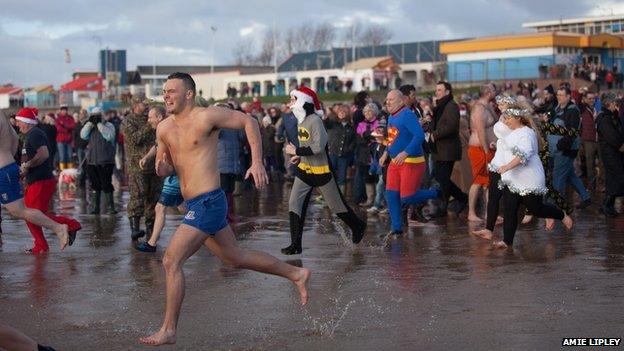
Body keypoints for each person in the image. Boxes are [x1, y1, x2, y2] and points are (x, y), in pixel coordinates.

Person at [139, 73, 310, 346]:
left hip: (209, 200)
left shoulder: (207, 116)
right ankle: (296, 274)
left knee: (171, 260)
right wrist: (162, 167)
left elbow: (248, 121)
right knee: (234, 257)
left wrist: (257, 162)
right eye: (164, 91)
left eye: (172, 91)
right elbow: (167, 164)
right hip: (192, 204)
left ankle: (169, 329)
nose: (166, 96)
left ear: (189, 94)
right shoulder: (164, 128)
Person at [282, 87, 367, 255]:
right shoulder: (302, 121)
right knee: (294, 203)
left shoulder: (315, 120)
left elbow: (318, 147)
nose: (290, 103)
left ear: (302, 101)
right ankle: (295, 244)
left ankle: (358, 226)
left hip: (321, 172)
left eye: (293, 99)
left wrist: (296, 152)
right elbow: (307, 146)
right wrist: (299, 157)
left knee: (337, 207)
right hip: (305, 170)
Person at [488, 105, 573, 249]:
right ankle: (507, 241)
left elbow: (523, 155)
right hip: (513, 178)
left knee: (536, 209)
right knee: (509, 209)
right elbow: (509, 148)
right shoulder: (511, 132)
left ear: (518, 118)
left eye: (508, 118)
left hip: (529, 178)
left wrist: (507, 166)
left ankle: (561, 215)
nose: (506, 121)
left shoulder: (526, 133)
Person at [6, 108, 80, 253]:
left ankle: (68, 226)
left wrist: (27, 166)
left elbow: (44, 154)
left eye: (20, 122)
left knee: (31, 215)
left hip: (41, 181)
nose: (18, 124)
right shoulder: (32, 134)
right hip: (38, 180)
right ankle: (43, 243)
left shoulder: (35, 134)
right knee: (35, 215)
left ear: (27, 122)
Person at [380, 90, 438, 236]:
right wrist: (386, 153)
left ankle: (436, 192)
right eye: (387, 99)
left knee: (407, 197)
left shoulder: (407, 115)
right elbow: (391, 138)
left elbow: (419, 136)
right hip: (395, 161)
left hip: (412, 161)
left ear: (401, 101)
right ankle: (397, 228)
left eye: (391, 99)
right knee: (391, 195)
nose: (388, 102)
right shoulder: (391, 116)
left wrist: (405, 152)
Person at [136, 106, 186, 252]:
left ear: (159, 117)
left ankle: (152, 243)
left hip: (176, 174)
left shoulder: (169, 128)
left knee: (161, 207)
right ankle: (207, 229)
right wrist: (146, 157)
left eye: (151, 117)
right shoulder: (163, 129)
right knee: (182, 206)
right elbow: (157, 147)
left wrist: (171, 167)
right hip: (173, 174)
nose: (148, 120)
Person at [122, 94, 162, 241]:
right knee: (138, 196)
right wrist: (149, 125)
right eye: (142, 104)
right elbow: (134, 139)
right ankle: (135, 229)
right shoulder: (128, 121)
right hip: (136, 167)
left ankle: (151, 228)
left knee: (153, 197)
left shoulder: (151, 118)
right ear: (135, 105)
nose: (145, 106)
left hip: (154, 165)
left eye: (146, 104)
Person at [550, 87, 591, 210]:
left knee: (558, 176)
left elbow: (572, 132)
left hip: (565, 150)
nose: (559, 97)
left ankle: (556, 205)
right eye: (558, 95)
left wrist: (560, 145)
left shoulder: (572, 111)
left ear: (568, 97)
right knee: (570, 175)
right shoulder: (558, 109)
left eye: (562, 95)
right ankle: (586, 197)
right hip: (558, 149)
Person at [430, 81, 468, 215]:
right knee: (441, 178)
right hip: (439, 149)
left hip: (447, 149)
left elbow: (451, 126)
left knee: (443, 179)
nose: (437, 92)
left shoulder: (451, 105)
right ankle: (460, 198)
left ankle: (447, 205)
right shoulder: (440, 106)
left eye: (440, 90)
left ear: (447, 92)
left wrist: (435, 134)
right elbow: (438, 124)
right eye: (436, 90)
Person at [467, 84, 497, 222]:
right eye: (493, 89)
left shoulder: (488, 106)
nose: (495, 91)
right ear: (488, 92)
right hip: (480, 149)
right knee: (478, 181)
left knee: (488, 182)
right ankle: (471, 213)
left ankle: (489, 214)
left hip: (488, 148)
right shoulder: (479, 108)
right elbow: (480, 131)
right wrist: (486, 151)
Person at [80, 108, 117, 214]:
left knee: (106, 183)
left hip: (106, 160)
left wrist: (100, 124)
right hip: (92, 160)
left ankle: (110, 207)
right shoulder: (90, 126)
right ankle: (96, 207)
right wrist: (90, 124)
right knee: (95, 184)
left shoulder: (109, 125)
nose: (96, 117)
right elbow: (83, 135)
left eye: (98, 115)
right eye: (94, 115)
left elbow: (109, 136)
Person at [595, 93, 624, 217]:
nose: (615, 105)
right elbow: (612, 136)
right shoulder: (604, 118)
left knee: (613, 178)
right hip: (610, 152)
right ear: (609, 103)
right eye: (614, 103)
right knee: (615, 178)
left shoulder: (610, 116)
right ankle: (607, 205)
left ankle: (608, 205)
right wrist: (620, 145)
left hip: (613, 152)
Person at [55, 105, 76, 170]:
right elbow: (58, 128)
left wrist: (64, 125)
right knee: (62, 157)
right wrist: (67, 129)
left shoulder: (70, 118)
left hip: (69, 140)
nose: (64, 111)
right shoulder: (58, 119)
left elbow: (73, 126)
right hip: (60, 141)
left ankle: (70, 172)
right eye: (63, 110)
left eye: (65, 110)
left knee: (70, 156)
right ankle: (63, 171)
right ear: (60, 111)